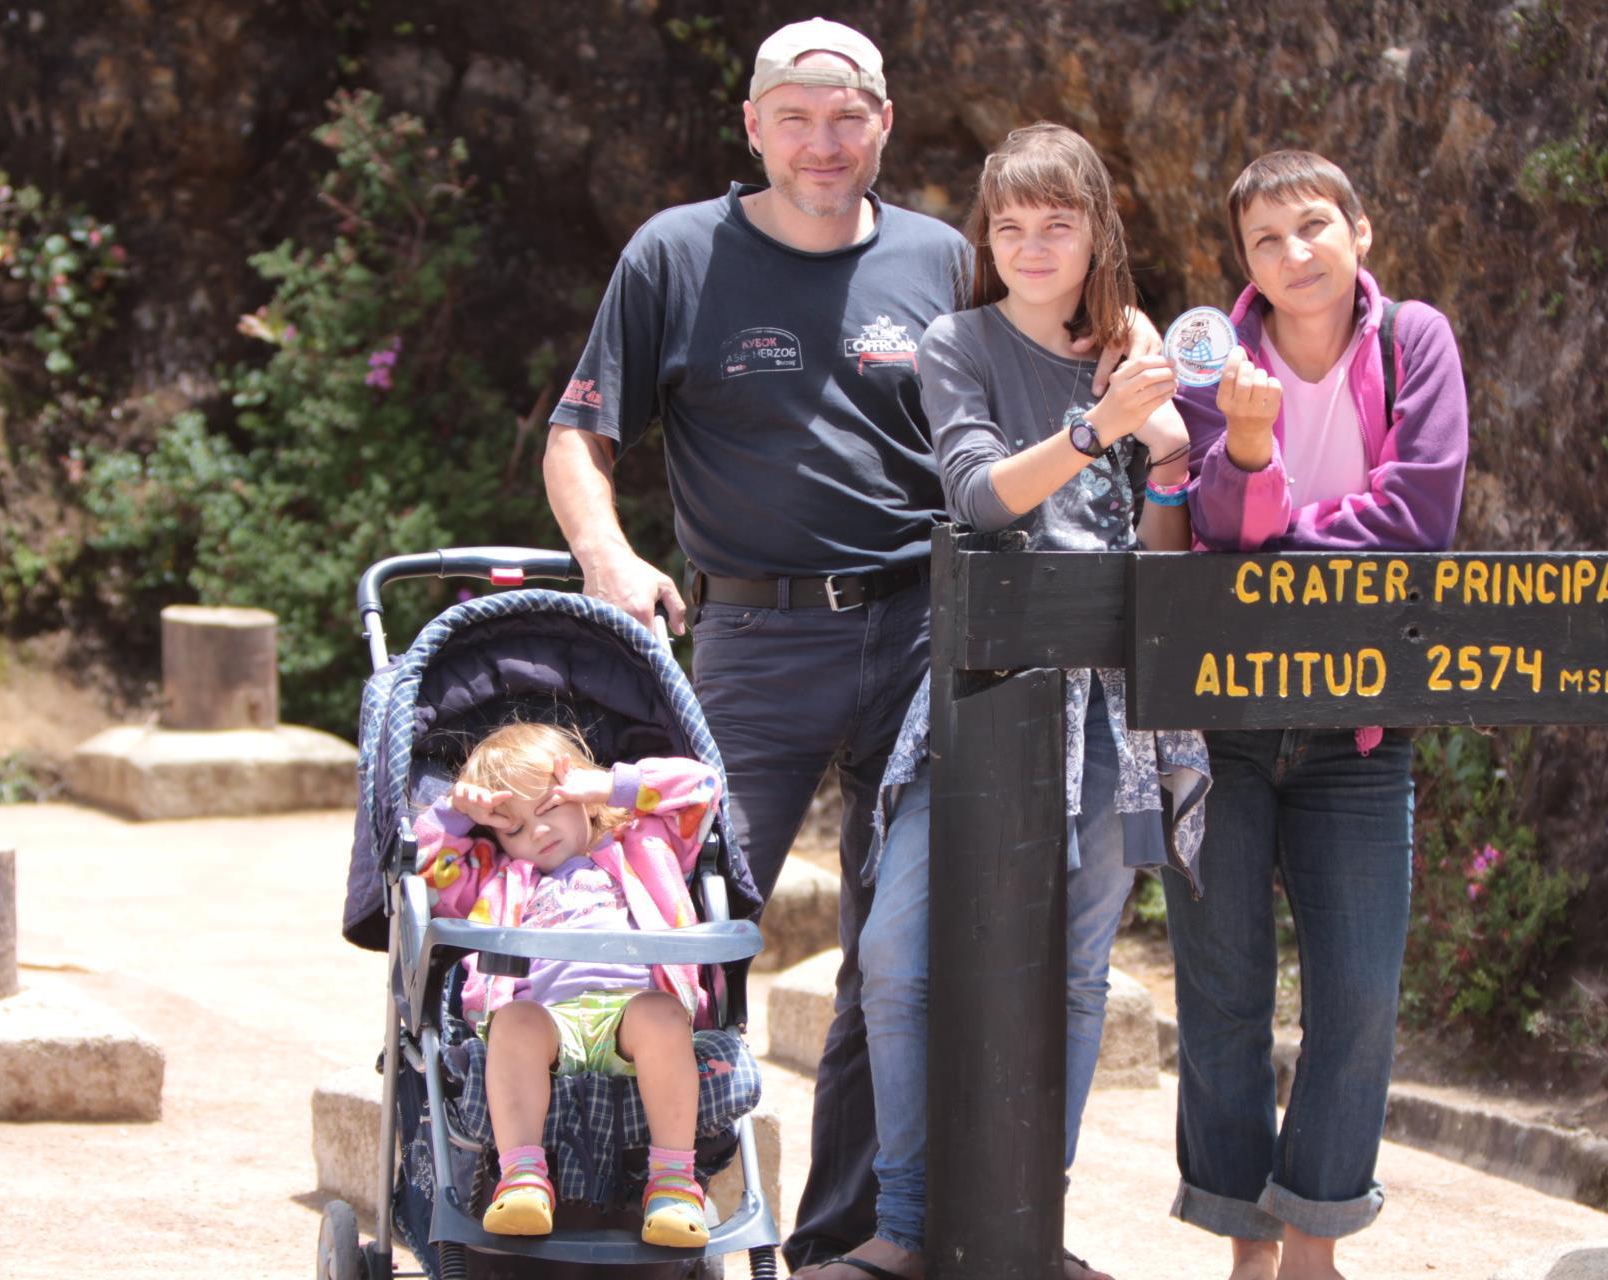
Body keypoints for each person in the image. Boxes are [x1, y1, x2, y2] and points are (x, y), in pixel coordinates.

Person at [540, 19, 1161, 1268]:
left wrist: (1144, 362)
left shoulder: (943, 256)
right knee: (693, 918)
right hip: (755, 641)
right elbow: (579, 434)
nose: (822, 142)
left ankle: (853, 1237)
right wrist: (610, 557)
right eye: (795, 115)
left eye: (848, 116)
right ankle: (630, 1203)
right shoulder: (675, 253)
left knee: (904, 951)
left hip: (931, 636)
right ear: (754, 126)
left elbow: (1051, 353)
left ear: (883, 123)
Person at [800, 123, 1211, 1280]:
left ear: (1097, 234)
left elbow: (1164, 554)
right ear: (989, 238)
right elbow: (981, 497)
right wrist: (1100, 428)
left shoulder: (1132, 355)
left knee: (1076, 972)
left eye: (1058, 223)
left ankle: (1034, 1219)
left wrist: (1169, 459)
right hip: (979, 696)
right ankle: (910, 1221)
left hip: (1108, 701)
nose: (1032, 246)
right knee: (897, 953)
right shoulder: (957, 341)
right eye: (1011, 226)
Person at [1165, 150, 1469, 1280]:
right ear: (1241, 263)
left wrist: (1271, 527)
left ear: (1360, 231)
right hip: (1223, 723)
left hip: (1359, 729)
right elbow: (1206, 524)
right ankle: (1249, 1249)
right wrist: (1245, 454)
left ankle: (1314, 1246)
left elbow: (1421, 511)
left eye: (1313, 228)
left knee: (1358, 996)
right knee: (1225, 993)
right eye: (1266, 240)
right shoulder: (1209, 356)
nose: (1295, 255)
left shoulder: (1412, 342)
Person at [413, 723, 722, 1247]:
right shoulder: (501, 877)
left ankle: (673, 1183)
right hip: (548, 1022)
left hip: (631, 1015)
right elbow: (427, 872)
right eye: (513, 827)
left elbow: (703, 787)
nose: (536, 834)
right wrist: (458, 815)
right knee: (512, 1023)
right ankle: (524, 1180)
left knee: (663, 1015)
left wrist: (610, 786)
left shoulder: (645, 842)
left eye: (550, 806)